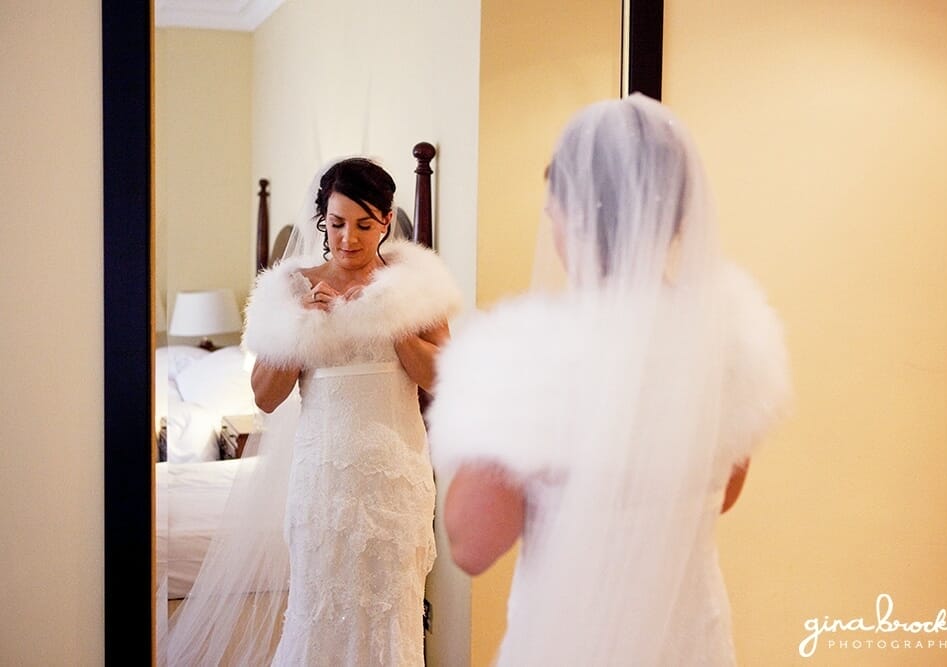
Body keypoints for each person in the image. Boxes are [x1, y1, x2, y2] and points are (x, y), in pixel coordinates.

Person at [427, 94, 791, 666]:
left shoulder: (527, 354)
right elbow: (725, 495)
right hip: (688, 638)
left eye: (554, 217)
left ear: (574, 214)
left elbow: (473, 544)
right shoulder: (729, 341)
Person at [165, 157, 461, 666]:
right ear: (322, 219)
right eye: (338, 223)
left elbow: (439, 378)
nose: (348, 238)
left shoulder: (416, 285)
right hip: (323, 478)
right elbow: (265, 395)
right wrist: (303, 327)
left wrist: (388, 321)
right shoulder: (290, 287)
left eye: (364, 225)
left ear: (386, 221)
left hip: (395, 477)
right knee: (320, 604)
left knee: (391, 609)